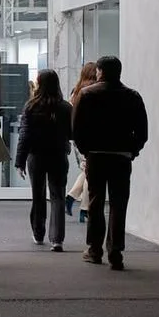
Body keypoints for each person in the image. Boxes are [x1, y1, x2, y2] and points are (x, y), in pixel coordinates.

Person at [72, 56, 149, 271]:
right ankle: (116, 252)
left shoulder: (87, 94)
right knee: (118, 203)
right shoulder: (132, 96)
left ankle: (94, 250)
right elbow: (142, 132)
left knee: (95, 202)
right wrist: (132, 151)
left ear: (99, 71)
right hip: (121, 157)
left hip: (96, 155)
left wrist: (86, 150)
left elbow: (76, 128)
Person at [15, 69, 73, 252]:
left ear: (40, 83)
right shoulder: (65, 107)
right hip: (59, 156)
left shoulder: (31, 106)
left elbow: (25, 136)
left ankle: (38, 233)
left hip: (36, 156)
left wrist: (20, 162)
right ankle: (57, 239)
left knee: (38, 195)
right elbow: (72, 133)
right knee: (58, 196)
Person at [66, 62, 99, 223]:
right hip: (92, 137)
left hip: (77, 137)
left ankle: (72, 196)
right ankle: (85, 208)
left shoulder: (76, 91)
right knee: (90, 172)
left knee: (87, 170)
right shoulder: (94, 91)